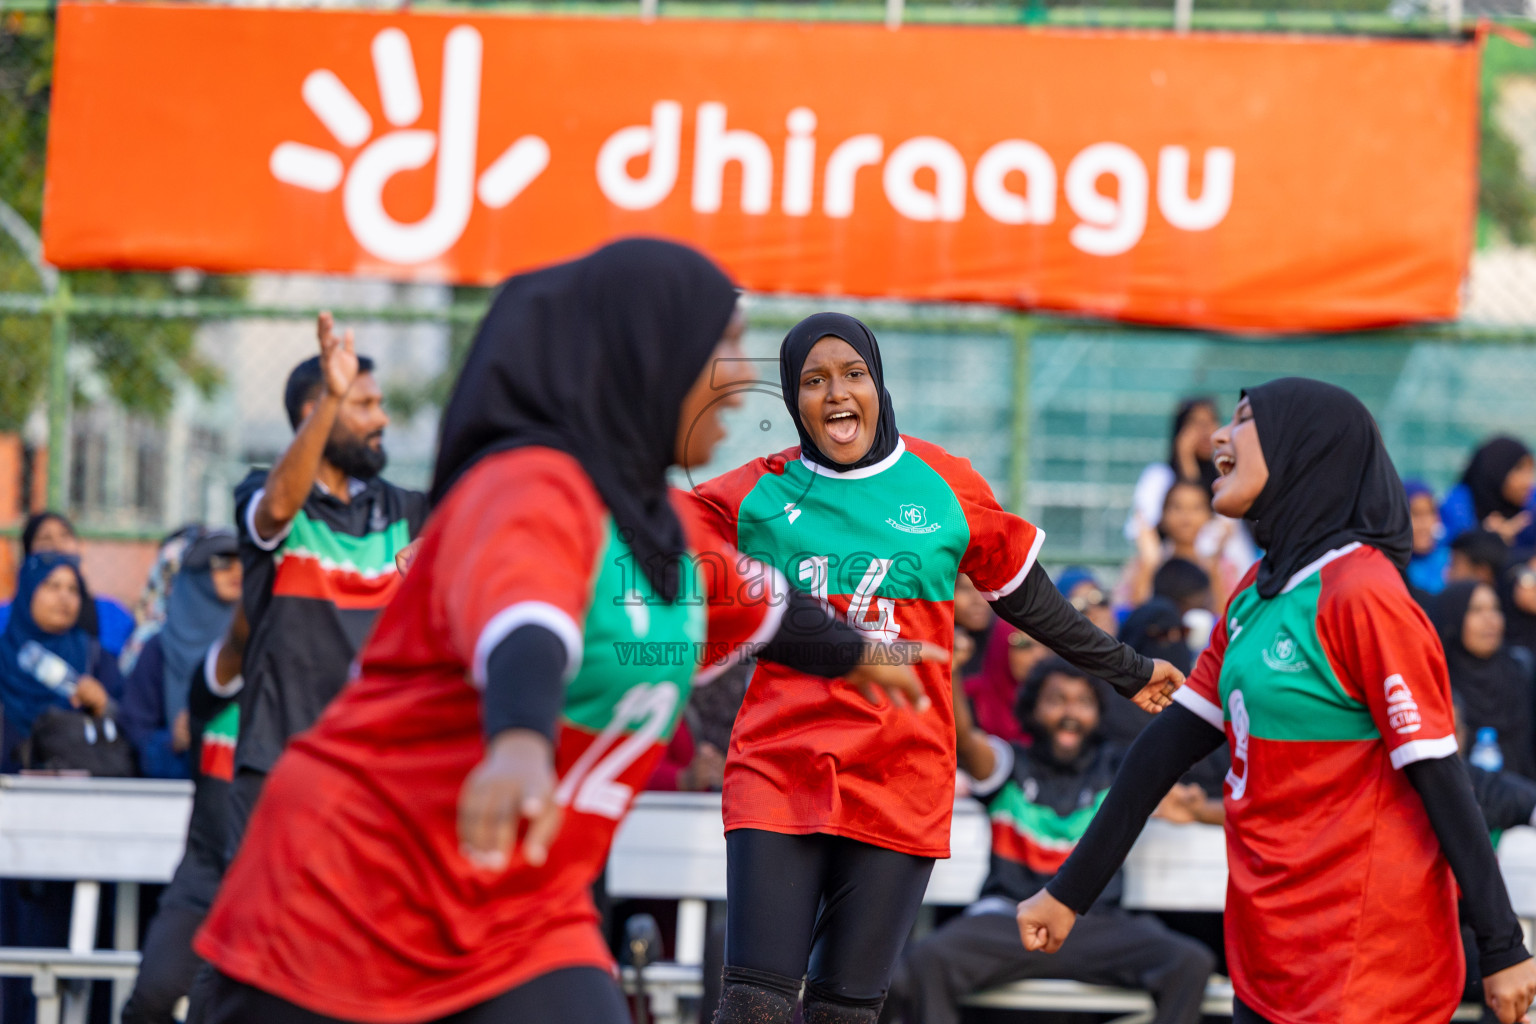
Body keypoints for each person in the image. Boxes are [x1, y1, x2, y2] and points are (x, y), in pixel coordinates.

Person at [191, 239, 936, 1024]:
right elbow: (526, 620)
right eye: (718, 348)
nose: (737, 375)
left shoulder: (659, 532)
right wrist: (519, 739)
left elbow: (767, 603)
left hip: (523, 915)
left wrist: (865, 653)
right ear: (645, 361)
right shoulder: (531, 486)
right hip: (348, 899)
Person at [686, 312, 1183, 1024]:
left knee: (843, 1015)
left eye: (852, 375)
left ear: (879, 385)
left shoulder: (943, 481)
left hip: (901, 775)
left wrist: (1130, 669)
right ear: (792, 401)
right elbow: (653, 542)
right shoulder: (754, 493)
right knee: (752, 1008)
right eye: (813, 381)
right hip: (781, 768)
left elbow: (1029, 600)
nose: (835, 395)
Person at [1016, 378, 1536, 1024]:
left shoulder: (1363, 592)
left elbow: (1441, 777)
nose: (1217, 439)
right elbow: (1159, 752)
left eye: (1243, 421)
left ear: (1304, 449)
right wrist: (1069, 892)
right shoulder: (1254, 596)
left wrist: (1502, 944)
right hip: (1269, 964)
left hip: (1365, 972)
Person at [883, 657, 1216, 1024]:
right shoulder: (1008, 764)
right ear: (1032, 706)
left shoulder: (1119, 772)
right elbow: (962, 738)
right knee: (927, 961)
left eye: (1083, 702)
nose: (1070, 712)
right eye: (1057, 699)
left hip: (1094, 926)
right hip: (1006, 923)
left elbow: (1189, 806)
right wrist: (952, 669)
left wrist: (1197, 809)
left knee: (1189, 963)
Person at [226, 313, 428, 851]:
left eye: (378, 403)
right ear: (317, 413)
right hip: (281, 764)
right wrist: (333, 398)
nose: (381, 418)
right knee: (268, 933)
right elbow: (277, 507)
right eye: (363, 405)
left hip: (379, 777)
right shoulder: (266, 494)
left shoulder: (409, 510)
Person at [0, 552, 125, 1024]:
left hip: (82, 835)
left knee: (79, 952)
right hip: (10, 838)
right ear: (27, 591)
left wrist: (103, 706)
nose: (64, 598)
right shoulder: (3, 658)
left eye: (73, 589)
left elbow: (128, 734)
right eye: (51, 586)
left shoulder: (96, 659)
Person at [121, 605, 248, 1024]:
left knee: (208, 1007)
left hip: (270, 886)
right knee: (152, 998)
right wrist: (262, 580)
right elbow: (237, 643)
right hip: (203, 877)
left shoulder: (304, 698)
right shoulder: (215, 687)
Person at [120, 531, 242, 779]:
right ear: (195, 575)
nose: (237, 570)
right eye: (222, 562)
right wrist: (171, 741)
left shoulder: (255, 642)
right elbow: (135, 729)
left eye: (244, 561)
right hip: (171, 793)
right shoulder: (159, 647)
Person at [1435, 580, 1536, 781]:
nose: (1490, 620)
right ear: (1453, 616)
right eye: (1476, 610)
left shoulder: (1520, 669)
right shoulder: (1439, 682)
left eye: (1495, 609)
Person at [0, 511, 136, 657]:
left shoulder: (112, 616)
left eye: (65, 536)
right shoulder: (5, 619)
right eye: (45, 539)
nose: (58, 546)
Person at [1121, 480, 1244, 613]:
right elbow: (1134, 617)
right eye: (1177, 507)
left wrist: (1214, 569)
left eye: (1196, 508)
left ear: (1209, 515)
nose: (1186, 518)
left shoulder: (1222, 566)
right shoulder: (1143, 564)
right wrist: (1149, 566)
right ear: (1162, 515)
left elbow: (1226, 618)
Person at [1442, 437, 1536, 548]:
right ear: (1497, 470)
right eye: (1519, 470)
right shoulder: (1458, 506)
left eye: (1530, 470)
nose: (1527, 481)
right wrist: (1486, 539)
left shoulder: (1529, 501)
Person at [964, 623, 1049, 745]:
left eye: (1046, 644)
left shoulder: (1058, 703)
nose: (1038, 656)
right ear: (1001, 647)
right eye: (1023, 644)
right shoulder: (967, 699)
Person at [1406, 480, 1450, 597]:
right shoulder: (1393, 567)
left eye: (1430, 513)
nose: (1424, 524)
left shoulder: (1450, 560)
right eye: (1415, 514)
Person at [952, 574, 994, 677]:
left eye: (985, 588)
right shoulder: (930, 643)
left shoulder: (1006, 640)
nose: (978, 600)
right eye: (965, 589)